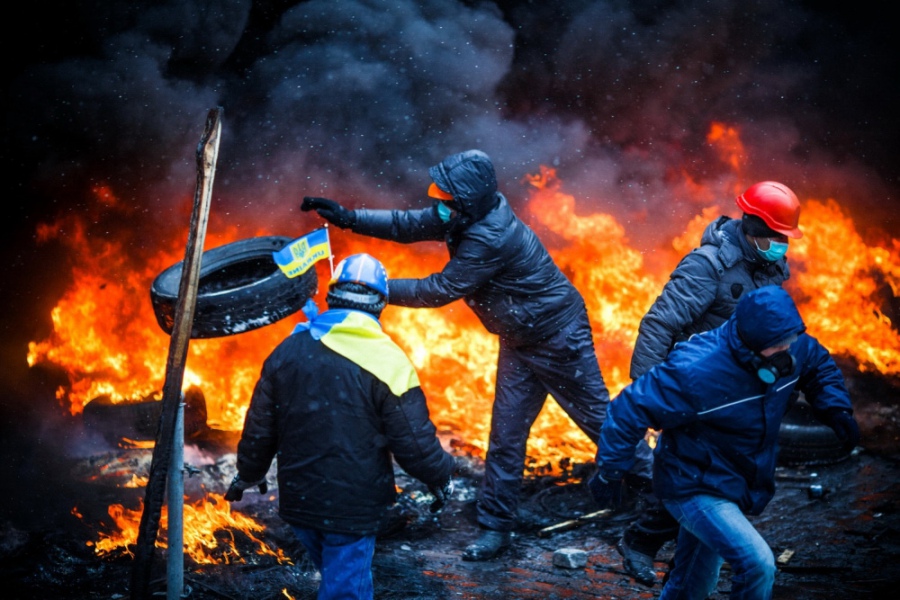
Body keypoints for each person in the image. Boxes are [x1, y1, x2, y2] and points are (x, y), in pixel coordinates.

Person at [301, 149, 649, 561]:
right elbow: (407, 223)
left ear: (468, 202)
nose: (438, 206)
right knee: (505, 438)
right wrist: (349, 218)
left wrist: (370, 289)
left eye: (446, 199)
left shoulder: (490, 236)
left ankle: (676, 499)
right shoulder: (464, 213)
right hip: (520, 338)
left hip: (559, 339)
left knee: (605, 429)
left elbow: (439, 289)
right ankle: (496, 527)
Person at [589, 285, 860, 599]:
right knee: (757, 564)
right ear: (751, 346)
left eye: (790, 342)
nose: (787, 353)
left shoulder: (790, 346)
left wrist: (836, 408)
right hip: (691, 483)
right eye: (777, 348)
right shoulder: (696, 370)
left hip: (735, 479)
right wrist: (611, 471)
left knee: (693, 584)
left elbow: (817, 364)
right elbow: (628, 409)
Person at [225, 253, 458, 600]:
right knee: (345, 590)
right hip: (354, 509)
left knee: (335, 578)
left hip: (300, 504)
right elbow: (414, 444)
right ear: (380, 305)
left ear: (331, 296)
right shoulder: (387, 359)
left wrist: (248, 473)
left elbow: (261, 429)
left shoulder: (288, 350)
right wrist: (441, 475)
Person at [617, 180, 804, 585]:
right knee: (694, 480)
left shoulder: (770, 267)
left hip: (734, 395)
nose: (781, 245)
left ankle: (674, 574)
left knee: (716, 484)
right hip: (694, 392)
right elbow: (658, 324)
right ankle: (641, 541)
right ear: (753, 225)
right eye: (775, 236)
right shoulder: (708, 266)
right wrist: (650, 396)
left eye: (784, 238)